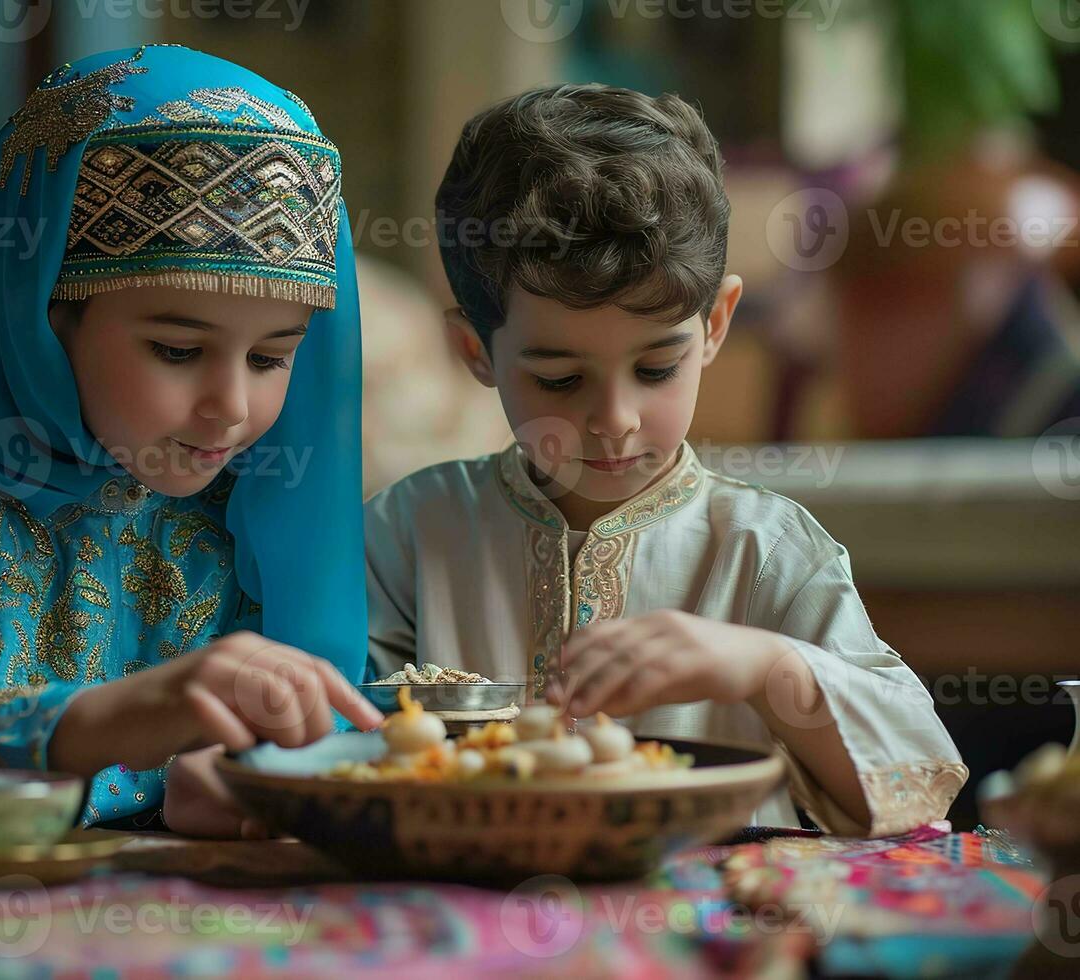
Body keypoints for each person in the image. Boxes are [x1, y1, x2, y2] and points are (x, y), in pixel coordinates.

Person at [0, 45, 381, 838]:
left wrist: (250, 778)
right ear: (45, 321)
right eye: (178, 351)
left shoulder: (262, 497)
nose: (230, 407)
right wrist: (114, 719)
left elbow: (343, 724)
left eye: (271, 358)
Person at [365, 84, 967, 836]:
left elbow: (918, 781)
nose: (614, 421)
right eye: (560, 379)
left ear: (715, 324)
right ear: (475, 352)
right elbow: (336, 749)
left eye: (655, 370)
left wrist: (760, 665)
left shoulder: (766, 551)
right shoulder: (408, 533)